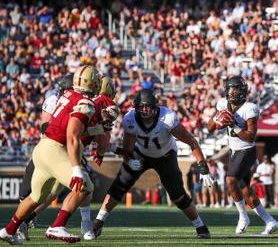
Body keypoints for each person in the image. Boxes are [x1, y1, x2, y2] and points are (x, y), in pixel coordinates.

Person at [92, 89, 215, 239]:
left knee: (178, 196)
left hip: (165, 156)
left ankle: (201, 227)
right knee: (119, 186)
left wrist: (203, 167)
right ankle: (98, 222)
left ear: (155, 106)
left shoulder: (167, 118)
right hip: (140, 154)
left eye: (147, 106)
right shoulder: (130, 119)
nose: (144, 110)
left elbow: (191, 141)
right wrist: (129, 161)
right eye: (141, 107)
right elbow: (127, 150)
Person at [0, 65, 101, 244]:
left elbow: (69, 127)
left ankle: (8, 230)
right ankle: (57, 226)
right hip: (55, 149)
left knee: (36, 197)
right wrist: (77, 168)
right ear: (91, 82)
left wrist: (97, 128)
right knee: (86, 186)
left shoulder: (67, 96)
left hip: (42, 149)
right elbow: (72, 135)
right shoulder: (85, 103)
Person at [17, 75, 119, 242]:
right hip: (65, 148)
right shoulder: (97, 102)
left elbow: (76, 130)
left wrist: (110, 144)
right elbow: (97, 138)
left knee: (50, 193)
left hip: (55, 146)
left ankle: (19, 224)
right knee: (83, 185)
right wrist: (102, 147)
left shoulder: (74, 98)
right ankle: (77, 226)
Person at [207, 76, 278, 235]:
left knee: (230, 180)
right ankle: (270, 221)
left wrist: (233, 125)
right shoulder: (222, 104)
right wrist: (218, 118)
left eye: (236, 89)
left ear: (243, 90)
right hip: (234, 151)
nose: (232, 92)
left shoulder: (250, 108)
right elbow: (210, 128)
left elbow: (251, 136)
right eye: (230, 89)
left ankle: (242, 216)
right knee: (245, 190)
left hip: (247, 150)